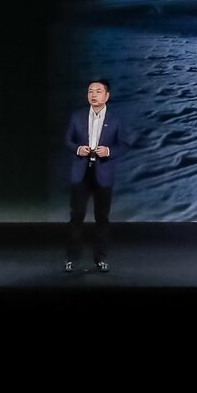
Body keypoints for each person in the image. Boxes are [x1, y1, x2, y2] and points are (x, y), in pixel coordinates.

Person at [65, 79, 127, 273]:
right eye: (90, 91)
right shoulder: (77, 117)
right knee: (76, 216)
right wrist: (78, 149)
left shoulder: (116, 120)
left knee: (102, 218)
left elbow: (124, 144)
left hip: (103, 173)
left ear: (107, 96)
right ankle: (72, 258)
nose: (93, 95)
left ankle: (100, 258)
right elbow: (67, 140)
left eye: (98, 91)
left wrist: (109, 151)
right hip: (81, 173)